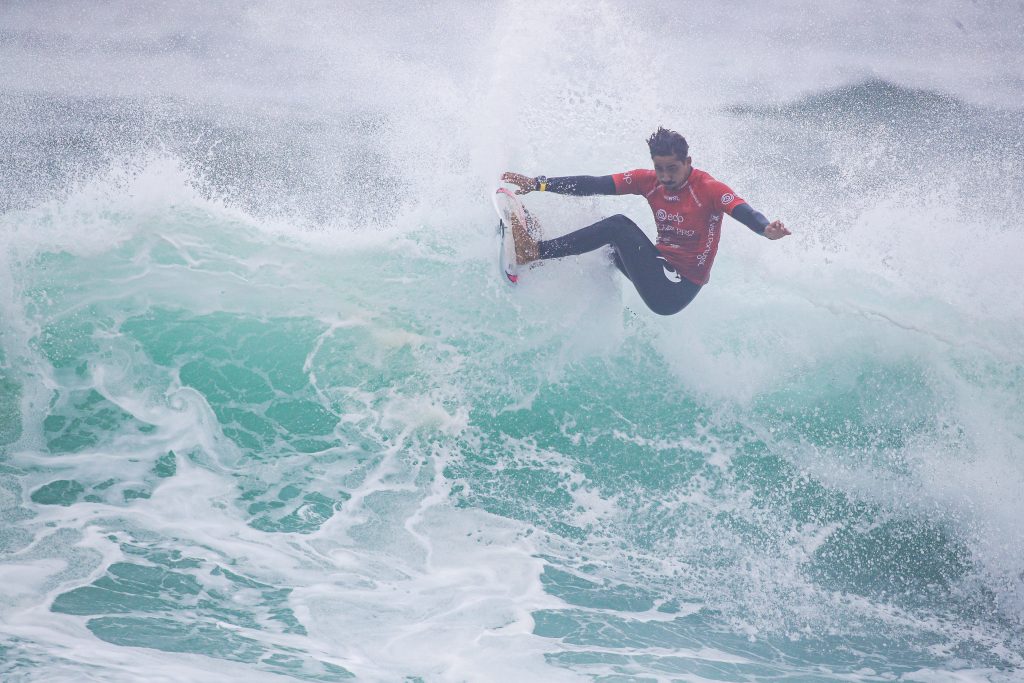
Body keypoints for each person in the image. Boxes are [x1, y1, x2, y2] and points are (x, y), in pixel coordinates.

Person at [501, 127, 791, 316]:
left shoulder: (709, 189)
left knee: (618, 226)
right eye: (659, 168)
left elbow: (742, 210)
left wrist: (764, 229)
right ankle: (542, 256)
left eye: (673, 169)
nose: (665, 176)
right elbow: (595, 183)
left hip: (675, 289)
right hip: (659, 266)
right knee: (603, 238)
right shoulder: (647, 181)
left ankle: (534, 251)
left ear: (688, 162)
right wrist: (541, 184)